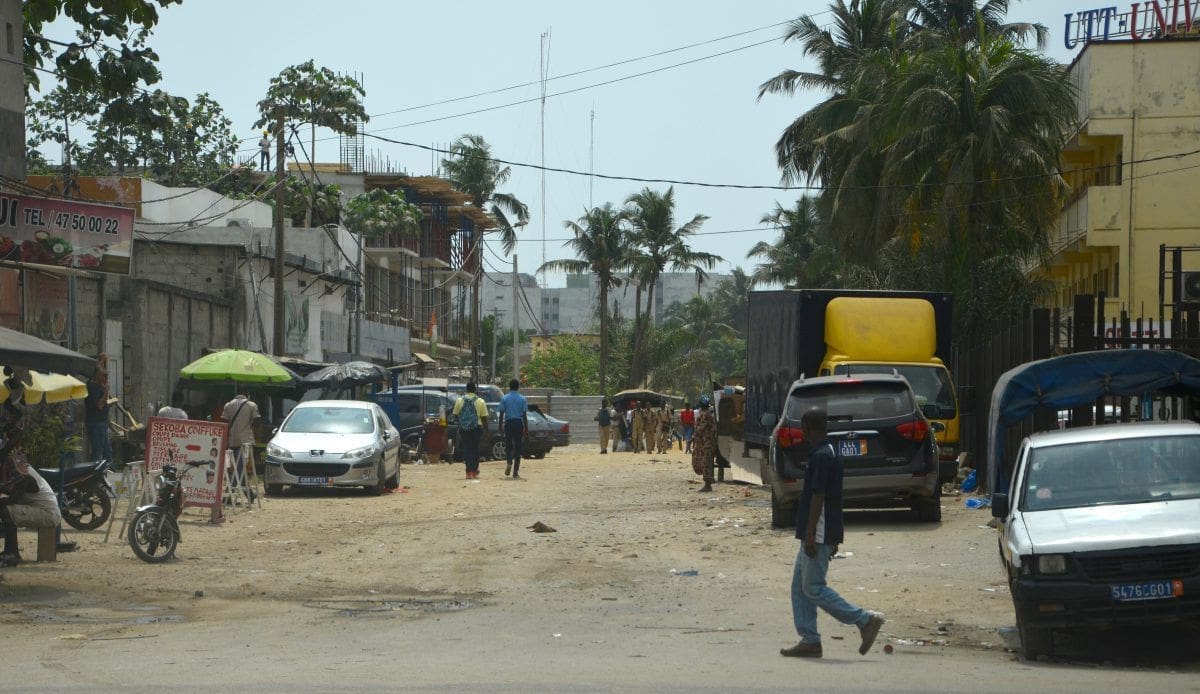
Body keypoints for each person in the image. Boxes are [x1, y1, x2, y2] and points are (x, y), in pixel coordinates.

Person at [780, 408, 884, 659]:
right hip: (822, 530)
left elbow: (819, 496)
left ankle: (864, 620)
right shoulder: (829, 451)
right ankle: (810, 640)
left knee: (813, 587)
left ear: (807, 427)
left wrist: (810, 534)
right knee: (799, 587)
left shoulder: (821, 456)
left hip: (818, 531)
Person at [0, 458, 61, 567]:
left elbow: (13, 499)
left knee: (5, 510)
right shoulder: (23, 472)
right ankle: (9, 551)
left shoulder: (26, 477)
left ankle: (12, 553)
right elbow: (11, 491)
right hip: (45, 512)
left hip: (47, 514)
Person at [221, 393, 261, 499]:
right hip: (245, 442)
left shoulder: (228, 405)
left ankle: (249, 495)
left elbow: (224, 424)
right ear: (247, 395)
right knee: (239, 469)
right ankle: (229, 495)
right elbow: (257, 422)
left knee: (238, 468)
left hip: (232, 441)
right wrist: (255, 435)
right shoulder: (252, 405)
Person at [452, 382, 489, 479]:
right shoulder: (480, 401)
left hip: (464, 429)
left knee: (467, 449)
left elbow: (455, 414)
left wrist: (462, 422)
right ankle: (474, 471)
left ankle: (468, 472)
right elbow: (484, 417)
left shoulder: (460, 400)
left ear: (466, 389)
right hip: (477, 428)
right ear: (475, 390)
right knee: (475, 449)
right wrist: (486, 430)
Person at [499, 379, 528, 479]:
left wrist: (500, 426)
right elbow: (524, 414)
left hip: (508, 423)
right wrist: (526, 428)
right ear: (518, 387)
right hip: (518, 423)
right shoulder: (522, 398)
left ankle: (509, 462)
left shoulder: (504, 398)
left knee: (508, 445)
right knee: (518, 447)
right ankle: (515, 472)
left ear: (509, 387)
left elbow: (501, 413)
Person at [84, 368, 113, 463]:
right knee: (97, 450)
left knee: (107, 450)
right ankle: (92, 469)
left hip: (102, 421)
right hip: (97, 422)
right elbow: (99, 405)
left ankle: (109, 468)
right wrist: (106, 391)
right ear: (97, 376)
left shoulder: (99, 386)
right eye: (104, 375)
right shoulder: (92, 387)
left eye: (107, 375)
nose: (106, 378)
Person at [692, 395, 717, 492]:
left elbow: (700, 429)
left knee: (705, 462)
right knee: (708, 462)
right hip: (709, 443)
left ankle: (707, 485)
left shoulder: (704, 415)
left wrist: (694, 437)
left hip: (705, 443)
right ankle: (708, 482)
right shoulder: (709, 415)